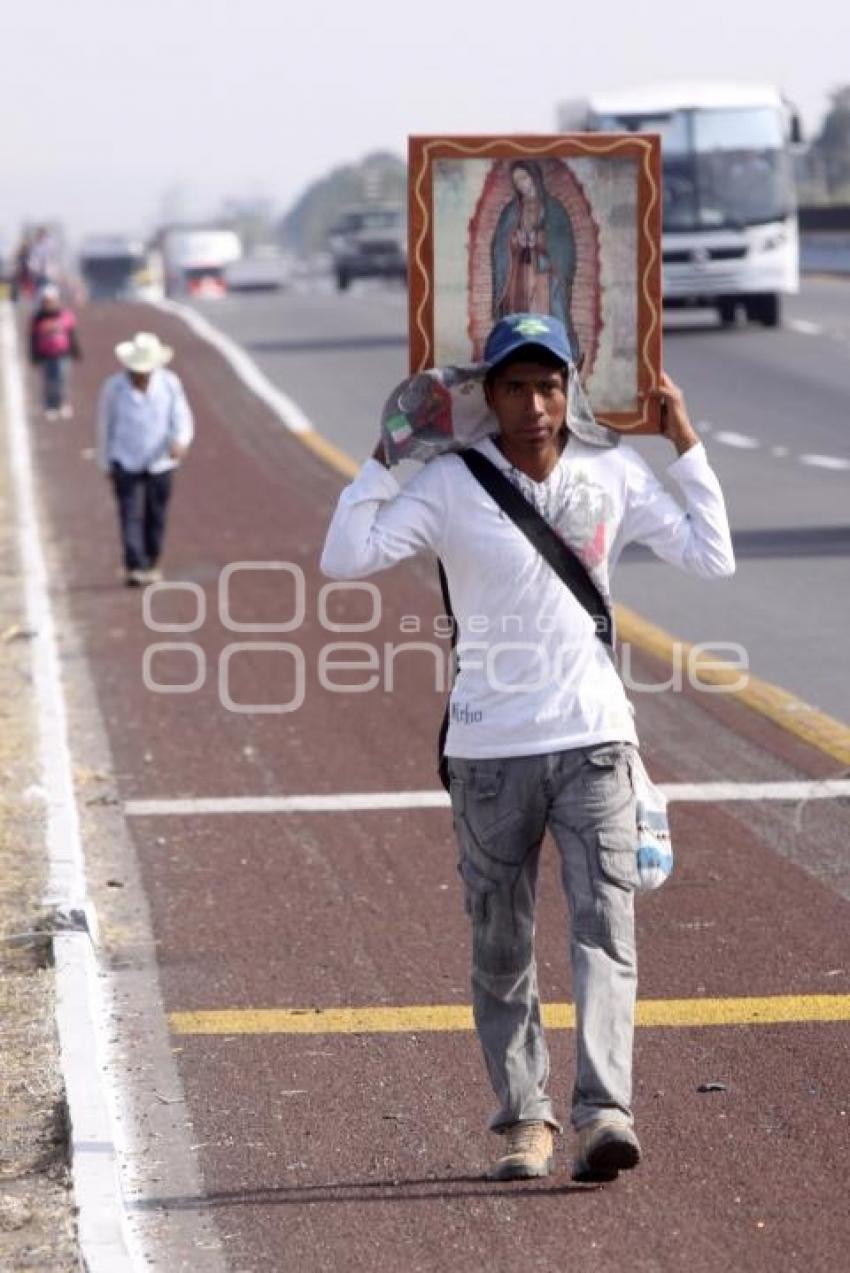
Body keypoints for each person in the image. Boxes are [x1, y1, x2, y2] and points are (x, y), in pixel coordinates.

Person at [321, 312, 735, 1183]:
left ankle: (604, 1113)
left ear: (570, 391)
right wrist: (386, 452)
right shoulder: (448, 484)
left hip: (593, 741)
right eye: (516, 386)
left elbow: (711, 555)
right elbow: (345, 554)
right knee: (501, 946)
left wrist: (683, 438)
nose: (536, 403)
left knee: (605, 933)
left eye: (550, 385)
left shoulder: (612, 472)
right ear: (490, 394)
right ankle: (524, 1121)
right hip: (488, 751)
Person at [97, 331, 194, 587]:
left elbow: (182, 417)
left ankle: (152, 561)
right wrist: (105, 461)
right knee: (129, 513)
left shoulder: (170, 384)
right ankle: (134, 565)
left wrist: (180, 441)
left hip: (160, 460)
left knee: (156, 513)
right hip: (125, 458)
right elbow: (105, 425)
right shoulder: (114, 388)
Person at [491, 161, 581, 359]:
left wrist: (540, 241)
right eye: (517, 181)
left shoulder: (555, 210)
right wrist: (514, 241)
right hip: (518, 276)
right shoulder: (511, 211)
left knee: (544, 321)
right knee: (519, 320)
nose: (522, 184)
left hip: (544, 278)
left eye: (524, 178)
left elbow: (564, 248)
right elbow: (499, 246)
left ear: (535, 177)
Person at [29, 285, 81, 419]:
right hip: (46, 355)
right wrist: (34, 355)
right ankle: (50, 406)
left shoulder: (65, 316)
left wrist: (75, 351)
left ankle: (63, 403)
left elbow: (71, 335)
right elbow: (33, 338)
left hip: (62, 354)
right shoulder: (38, 319)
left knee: (62, 380)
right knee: (49, 381)